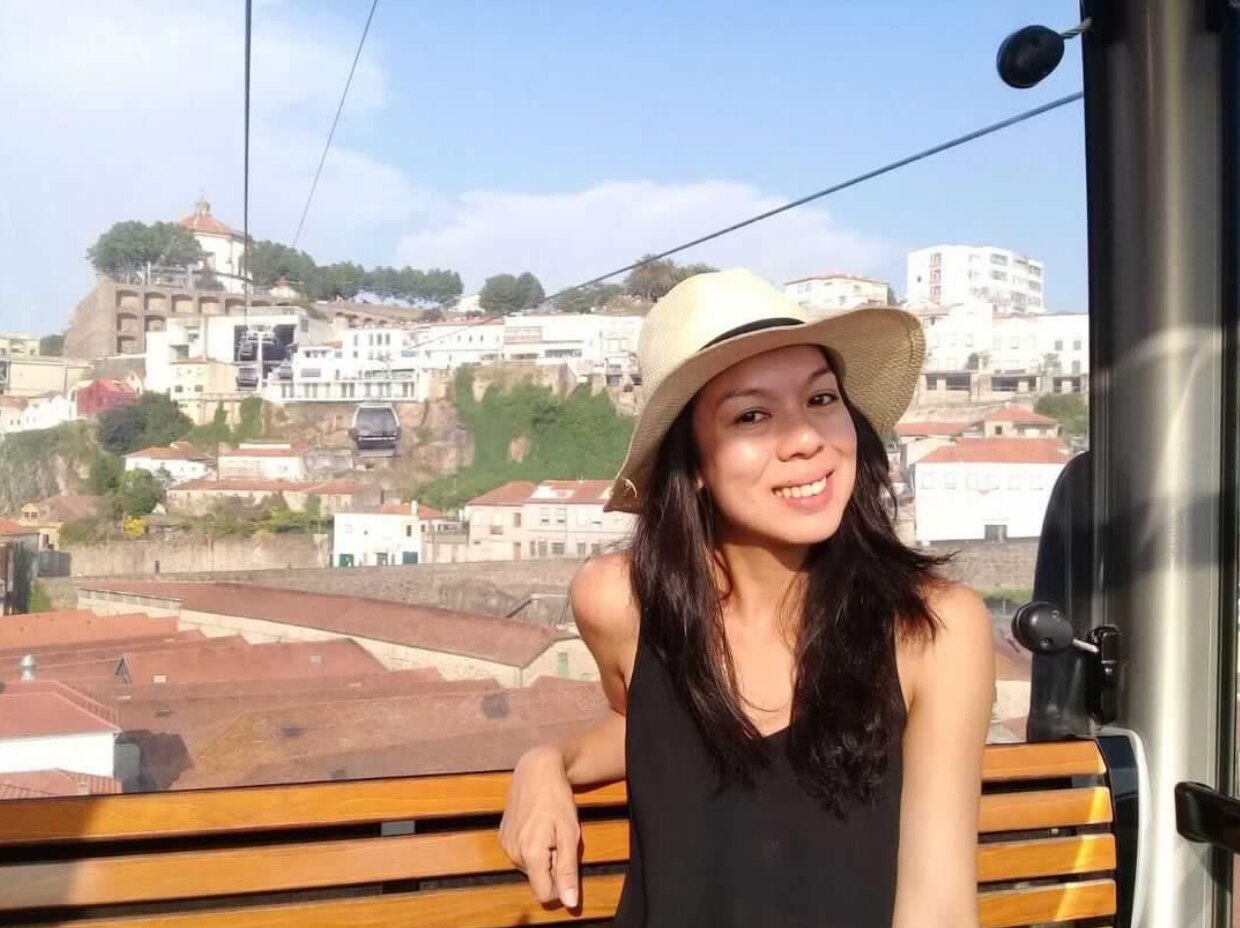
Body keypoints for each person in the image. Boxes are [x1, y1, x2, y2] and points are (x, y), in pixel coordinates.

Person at [500, 268, 994, 927]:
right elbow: (653, 725)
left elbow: (935, 907)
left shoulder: (934, 630)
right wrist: (547, 762)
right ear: (695, 464)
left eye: (821, 400)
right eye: (752, 415)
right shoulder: (620, 602)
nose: (804, 440)